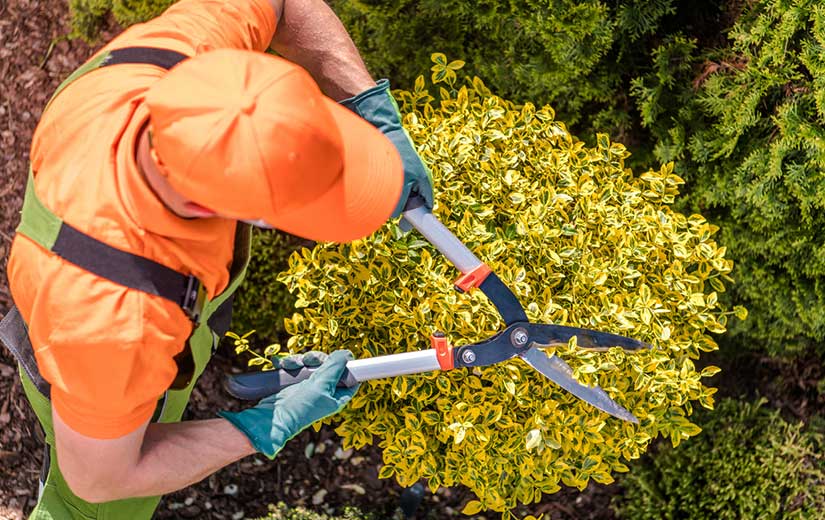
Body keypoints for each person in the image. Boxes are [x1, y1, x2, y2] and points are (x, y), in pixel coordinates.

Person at [0, 0, 434, 518]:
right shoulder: (117, 326)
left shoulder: (181, 68)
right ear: (211, 209)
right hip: (84, 374)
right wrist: (262, 426)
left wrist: (369, 110)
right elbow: (99, 476)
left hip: (134, 307)